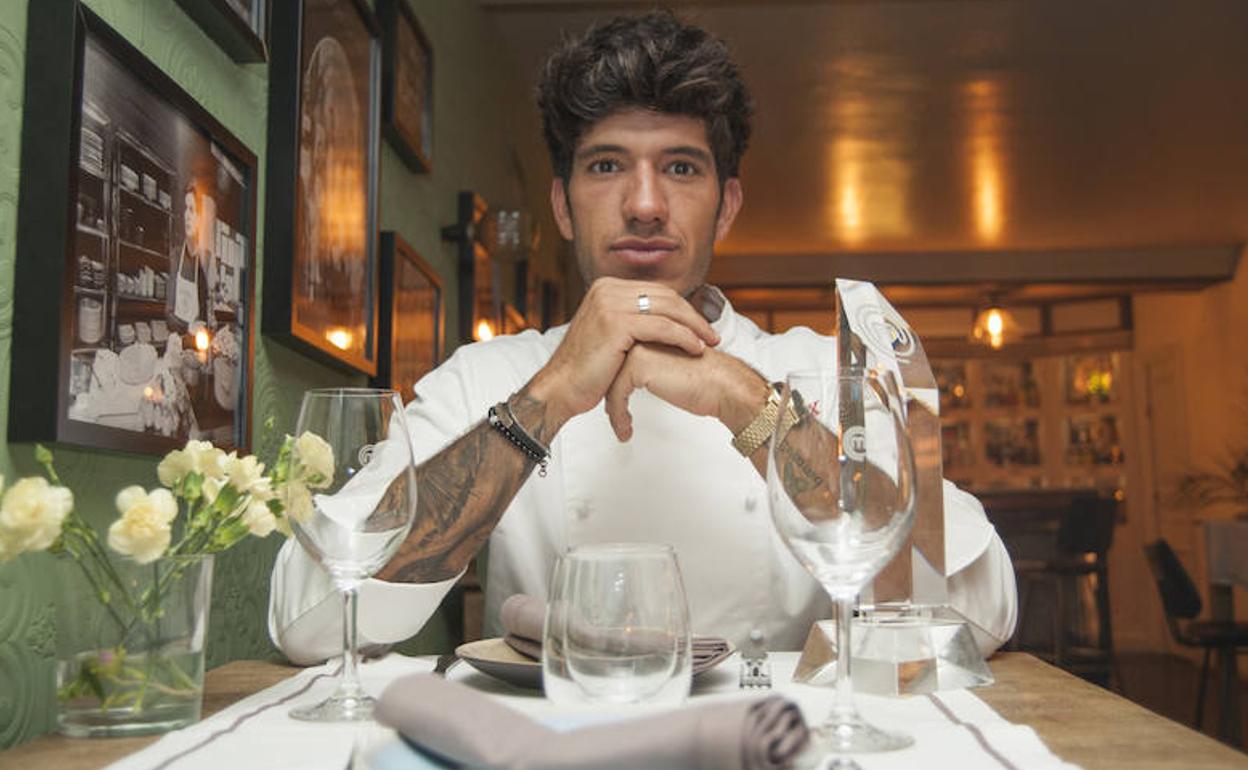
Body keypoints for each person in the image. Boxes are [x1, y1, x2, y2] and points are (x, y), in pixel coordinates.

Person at [269, 11, 1017, 664]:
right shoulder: (485, 377)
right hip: (553, 746)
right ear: (563, 206)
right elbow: (311, 618)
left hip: (770, 744)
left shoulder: (816, 370)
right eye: (606, 166)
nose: (646, 204)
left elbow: (978, 611)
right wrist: (547, 399)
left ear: (726, 207)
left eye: (681, 168)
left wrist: (747, 403)